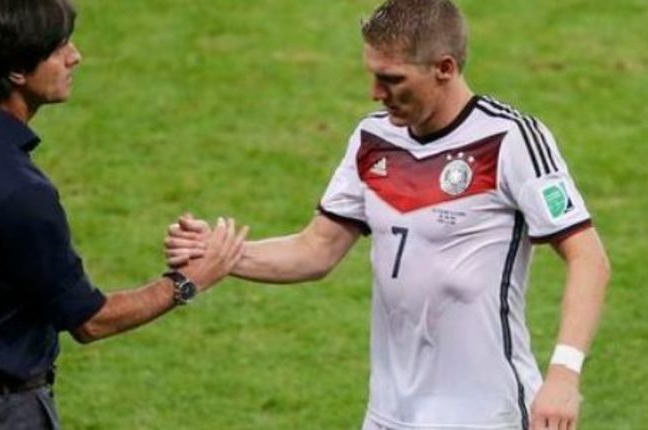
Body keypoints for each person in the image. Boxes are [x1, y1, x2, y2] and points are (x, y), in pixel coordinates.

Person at [165, 0, 609, 429]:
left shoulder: (509, 140)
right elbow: (316, 250)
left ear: (444, 68)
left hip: (486, 414)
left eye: (391, 79)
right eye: (373, 76)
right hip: (388, 414)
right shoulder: (373, 139)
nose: (376, 94)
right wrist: (222, 255)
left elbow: (588, 258)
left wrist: (564, 375)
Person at [0, 0, 247, 428]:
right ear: (17, 72)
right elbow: (90, 321)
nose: (74, 56)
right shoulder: (22, 193)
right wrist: (187, 282)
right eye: (58, 48)